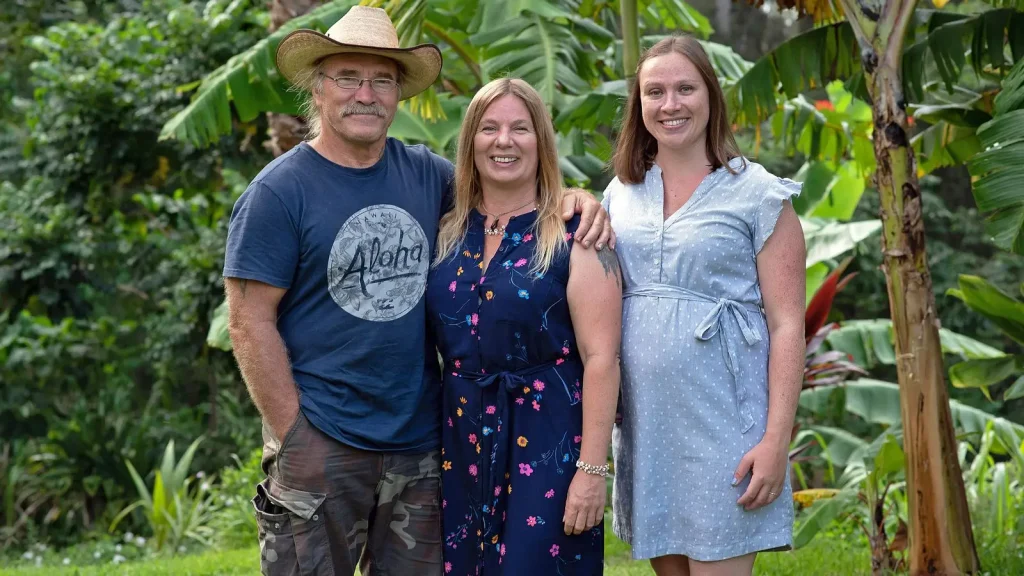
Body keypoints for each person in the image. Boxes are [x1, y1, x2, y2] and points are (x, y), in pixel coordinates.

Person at [222, 7, 612, 576]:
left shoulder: (429, 177)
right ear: (319, 87)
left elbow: (507, 190)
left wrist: (576, 197)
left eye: (382, 80)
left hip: (422, 449)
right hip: (323, 440)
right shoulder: (279, 193)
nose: (366, 94)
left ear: (398, 93)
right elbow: (247, 321)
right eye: (348, 78)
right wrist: (295, 435)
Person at [604, 36, 806, 576]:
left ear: (711, 96)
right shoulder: (620, 194)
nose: (671, 104)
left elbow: (788, 325)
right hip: (647, 428)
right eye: (655, 91)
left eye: (685, 88)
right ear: (639, 105)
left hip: (727, 424)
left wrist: (775, 439)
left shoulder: (759, 194)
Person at [425, 78, 623, 575]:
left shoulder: (578, 232)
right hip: (459, 438)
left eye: (520, 128)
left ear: (542, 141)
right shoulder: (446, 229)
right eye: (489, 128)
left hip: (549, 439)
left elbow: (602, 358)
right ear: (471, 140)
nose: (504, 140)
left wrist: (592, 471)